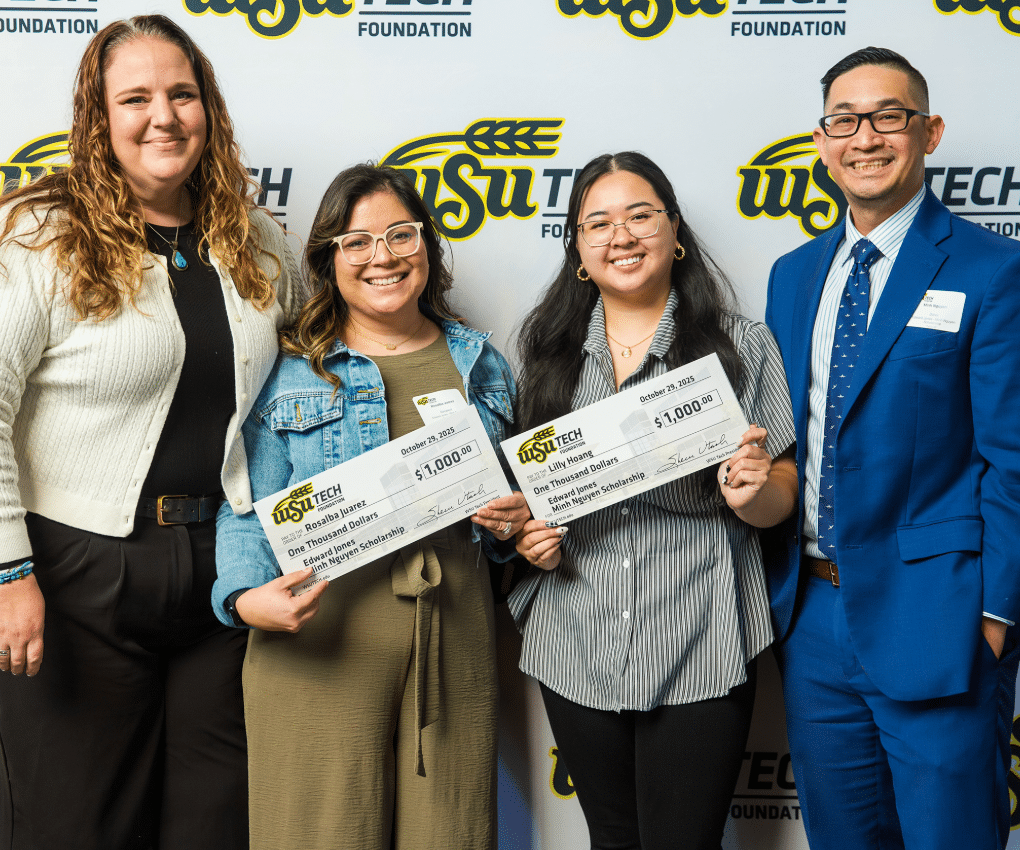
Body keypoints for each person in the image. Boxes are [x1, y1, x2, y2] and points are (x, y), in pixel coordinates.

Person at [0, 15, 301, 850]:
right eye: (134, 98)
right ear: (99, 120)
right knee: (78, 825)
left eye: (182, 93)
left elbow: (323, 369)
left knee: (217, 825)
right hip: (76, 576)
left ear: (209, 110)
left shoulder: (257, 240)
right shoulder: (39, 236)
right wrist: (8, 573)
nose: (163, 116)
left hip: (223, 576)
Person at [212, 162, 528, 850]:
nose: (382, 257)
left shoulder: (482, 365)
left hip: (456, 654)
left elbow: (509, 517)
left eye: (401, 235)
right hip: (318, 650)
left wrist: (511, 524)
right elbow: (244, 506)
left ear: (428, 247)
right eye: (356, 242)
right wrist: (241, 598)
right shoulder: (289, 365)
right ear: (328, 259)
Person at [763, 47, 1020, 849]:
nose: (865, 137)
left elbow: (1014, 460)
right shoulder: (793, 275)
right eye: (845, 120)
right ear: (821, 140)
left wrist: (994, 613)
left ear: (929, 131)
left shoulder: (993, 271)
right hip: (812, 617)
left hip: (941, 618)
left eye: (889, 117)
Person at [508, 151, 798, 850]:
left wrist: (754, 492)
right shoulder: (547, 352)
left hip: (703, 631)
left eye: (642, 216)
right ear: (578, 248)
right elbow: (528, 500)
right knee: (611, 835)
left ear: (677, 234)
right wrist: (527, 538)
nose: (621, 236)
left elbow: (782, 491)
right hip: (575, 633)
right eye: (598, 223)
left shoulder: (740, 347)